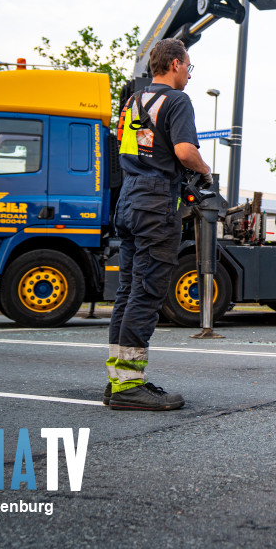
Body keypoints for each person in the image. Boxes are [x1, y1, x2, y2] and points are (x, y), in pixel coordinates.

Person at [106, 37, 211, 411]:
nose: (188, 75)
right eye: (188, 67)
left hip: (129, 201)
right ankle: (129, 385)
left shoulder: (132, 102)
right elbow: (184, 151)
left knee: (128, 291)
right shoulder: (177, 101)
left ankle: (117, 381)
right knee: (147, 292)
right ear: (176, 64)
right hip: (155, 205)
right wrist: (204, 169)